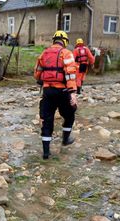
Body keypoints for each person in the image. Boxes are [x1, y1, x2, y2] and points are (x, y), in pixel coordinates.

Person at [34, 30, 78, 159]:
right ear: (64, 41)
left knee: (47, 121)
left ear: (54, 40)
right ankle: (65, 139)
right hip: (63, 91)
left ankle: (46, 153)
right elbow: (70, 74)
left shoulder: (44, 53)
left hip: (48, 92)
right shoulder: (66, 53)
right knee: (69, 115)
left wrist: (44, 81)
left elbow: (37, 73)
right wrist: (73, 93)